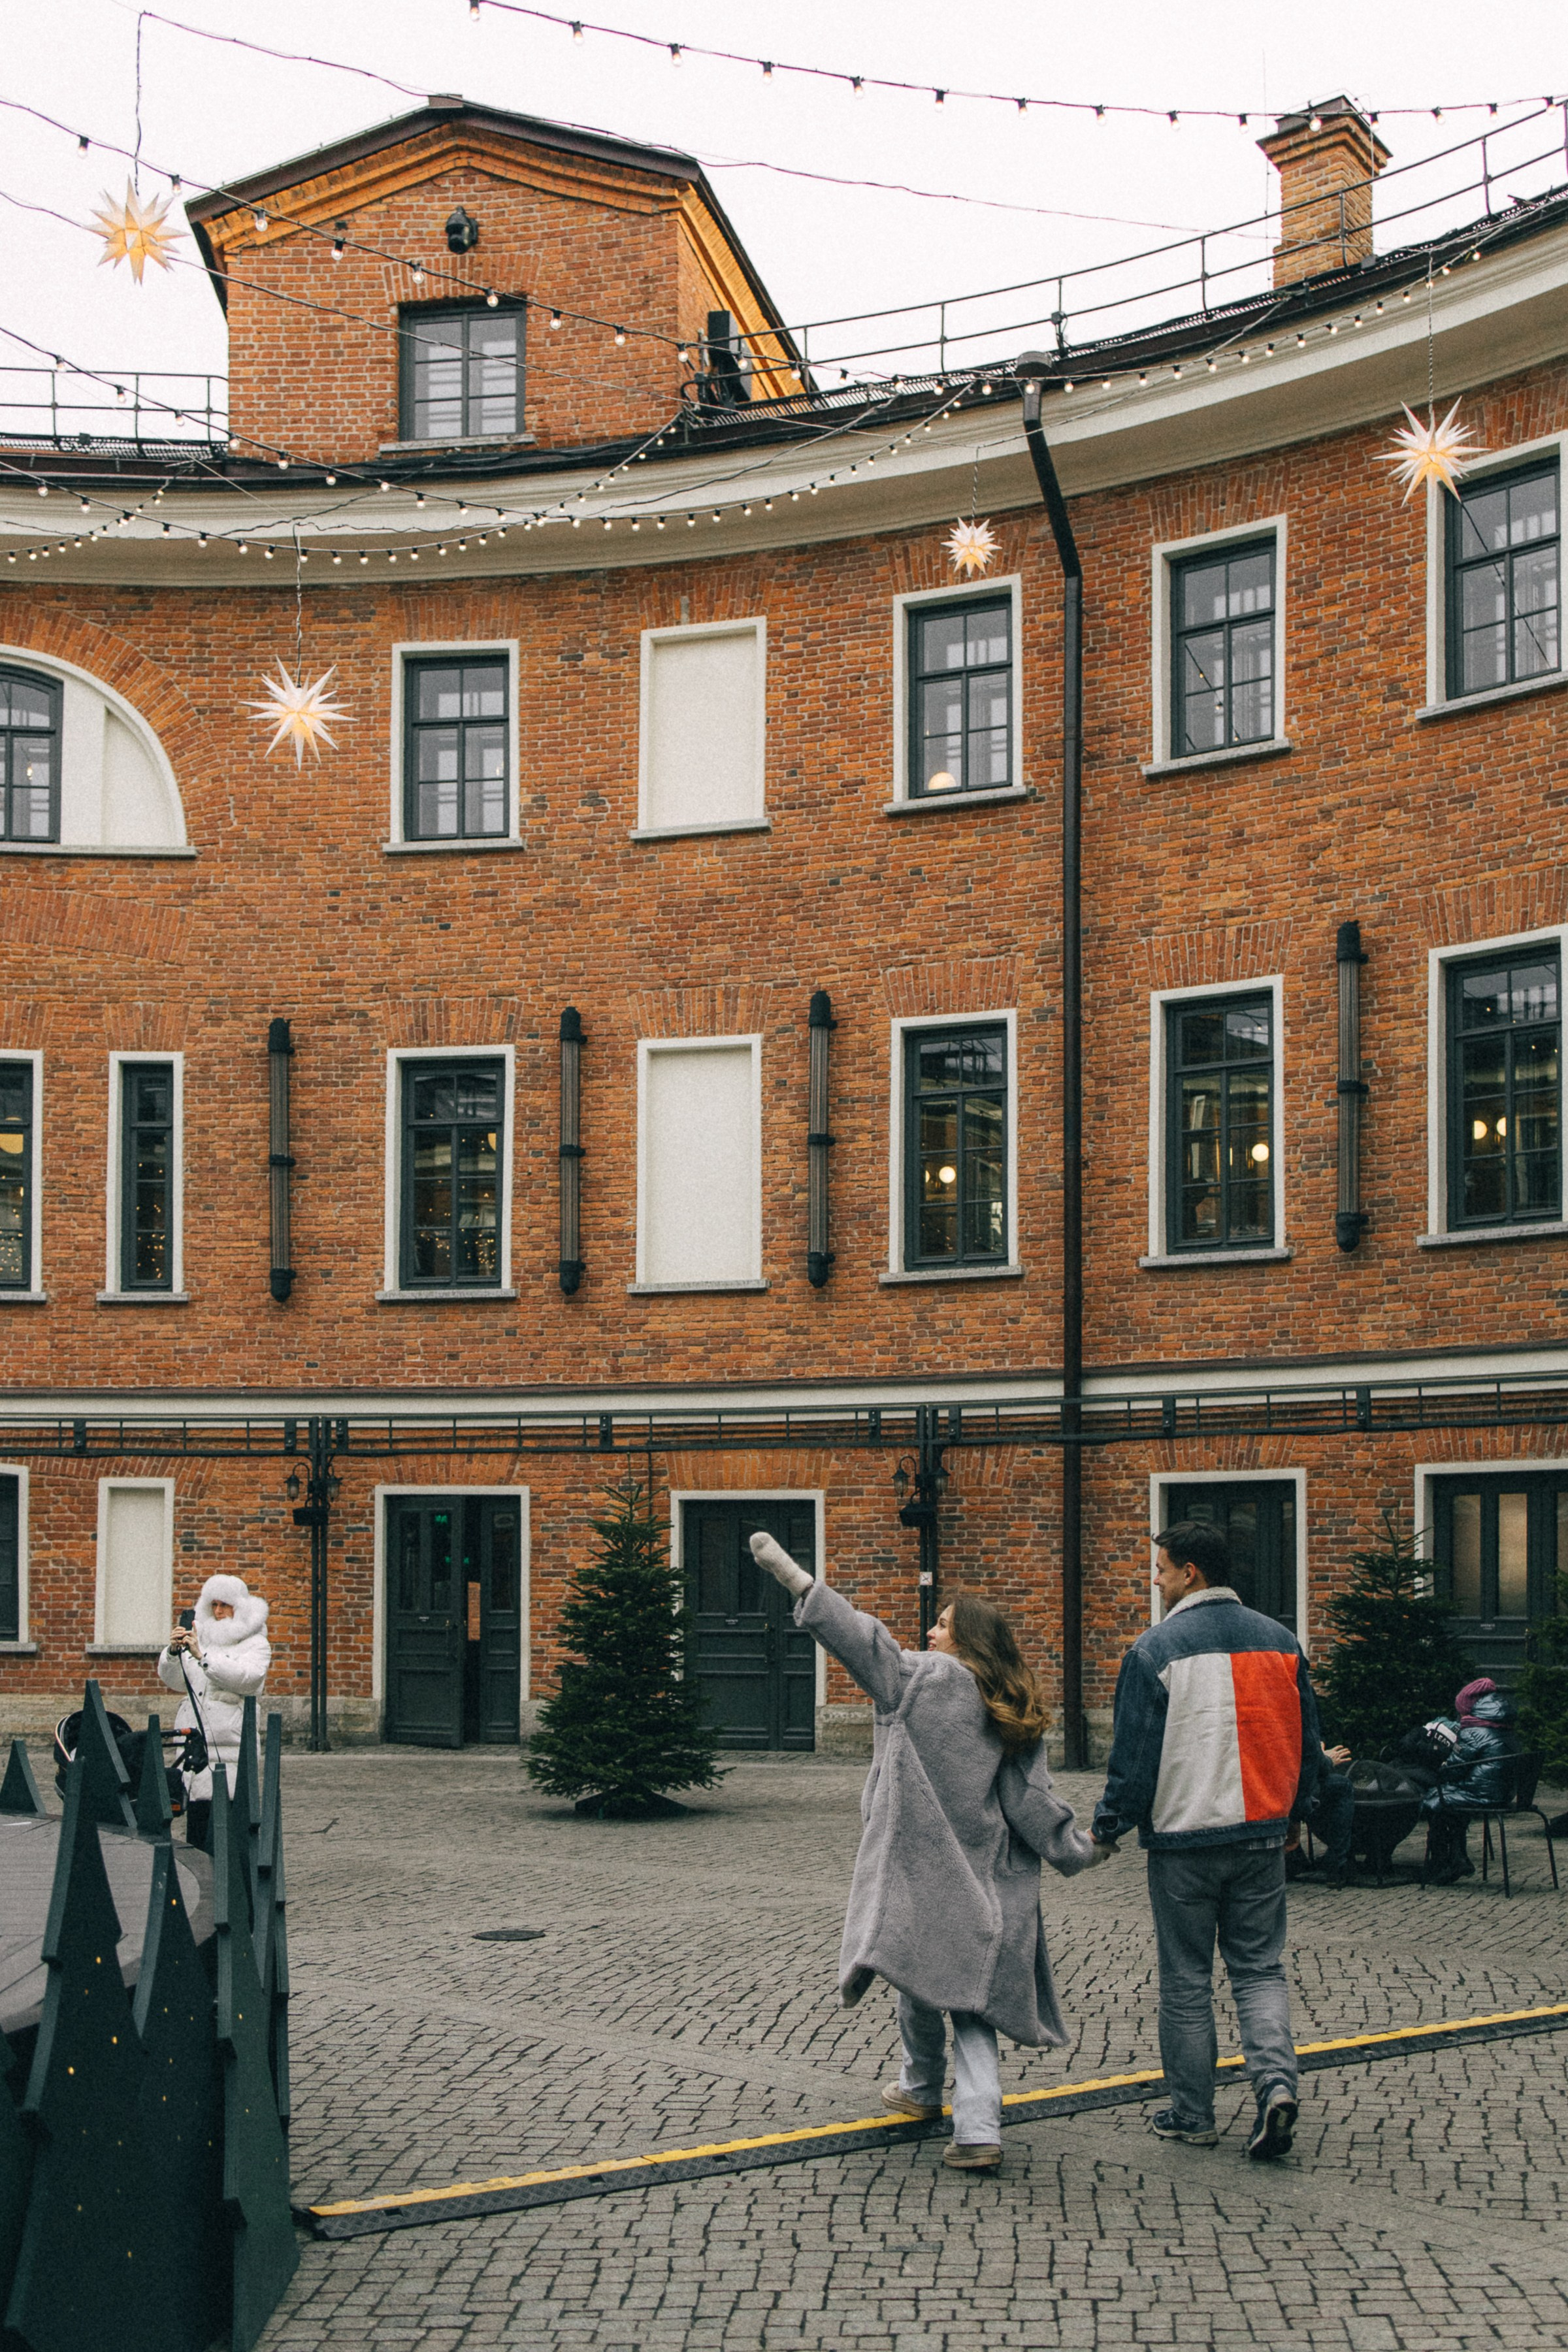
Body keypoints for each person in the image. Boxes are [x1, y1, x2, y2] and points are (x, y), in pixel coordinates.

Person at [748, 1530, 1107, 2174]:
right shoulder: (1009, 1703)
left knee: (918, 1979)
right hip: (985, 1880)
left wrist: (796, 1580)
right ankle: (957, 2113)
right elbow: (1031, 1803)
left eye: (942, 1625)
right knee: (965, 1998)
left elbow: (862, 1641)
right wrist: (1081, 1849)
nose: (931, 1632)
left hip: (923, 1873)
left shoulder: (928, 1679)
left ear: (970, 1641)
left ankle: (943, 2103)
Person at [1092, 1521, 1322, 2162]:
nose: (1156, 1580)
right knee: (1260, 1970)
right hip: (1261, 1836)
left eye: (1161, 1569)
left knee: (1187, 1981)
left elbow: (1133, 1759)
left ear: (1190, 1572)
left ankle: (1193, 2115)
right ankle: (1276, 2086)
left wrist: (1109, 1826)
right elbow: (1307, 1742)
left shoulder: (1153, 1651)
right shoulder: (1281, 1643)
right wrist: (1298, 1814)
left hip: (1184, 1841)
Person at [158, 1573, 271, 1851]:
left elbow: (248, 1679)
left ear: (239, 1608)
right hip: (197, 1748)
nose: (219, 1612)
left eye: (225, 1605)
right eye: (214, 1605)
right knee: (197, 1829)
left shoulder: (256, 1643)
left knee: (228, 1831)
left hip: (230, 1748)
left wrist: (203, 1657)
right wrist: (173, 1653)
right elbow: (176, 1681)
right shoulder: (202, 1639)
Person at [1422, 1677, 1520, 1884]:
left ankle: (1441, 1862)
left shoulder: (1473, 1730)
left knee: (1435, 1799)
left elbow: (1455, 1769)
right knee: (1450, 1798)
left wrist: (1442, 1768)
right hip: (1504, 1793)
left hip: (1484, 1795)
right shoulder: (1503, 1724)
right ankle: (1458, 1857)